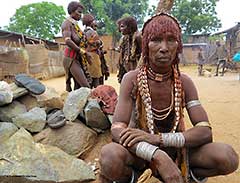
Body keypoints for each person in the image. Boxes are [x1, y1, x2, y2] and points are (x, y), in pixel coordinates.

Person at [99, 13, 239, 183]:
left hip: (178, 152)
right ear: (145, 45)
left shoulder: (184, 82)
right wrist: (156, 154)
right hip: (139, 153)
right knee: (110, 157)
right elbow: (117, 129)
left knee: (227, 157)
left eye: (171, 40)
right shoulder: (132, 79)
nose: (164, 47)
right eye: (156, 40)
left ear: (178, 46)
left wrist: (159, 140)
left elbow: (204, 132)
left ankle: (186, 175)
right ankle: (140, 178)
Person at [61, 1, 92, 91]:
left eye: (81, 12)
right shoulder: (66, 24)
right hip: (70, 59)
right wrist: (83, 52)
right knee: (85, 87)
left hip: (77, 58)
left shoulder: (75, 26)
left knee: (78, 87)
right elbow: (68, 41)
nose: (80, 15)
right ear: (71, 11)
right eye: (79, 12)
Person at [116, 16, 142, 83]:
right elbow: (122, 51)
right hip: (126, 67)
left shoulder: (138, 37)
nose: (120, 29)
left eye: (122, 26)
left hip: (136, 67)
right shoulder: (125, 38)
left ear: (130, 26)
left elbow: (143, 54)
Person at [82, 14, 105, 88]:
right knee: (96, 78)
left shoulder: (83, 32)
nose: (94, 22)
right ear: (90, 22)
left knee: (90, 77)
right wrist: (100, 43)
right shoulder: (91, 32)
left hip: (87, 54)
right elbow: (95, 42)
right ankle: (97, 95)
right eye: (93, 21)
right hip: (93, 56)